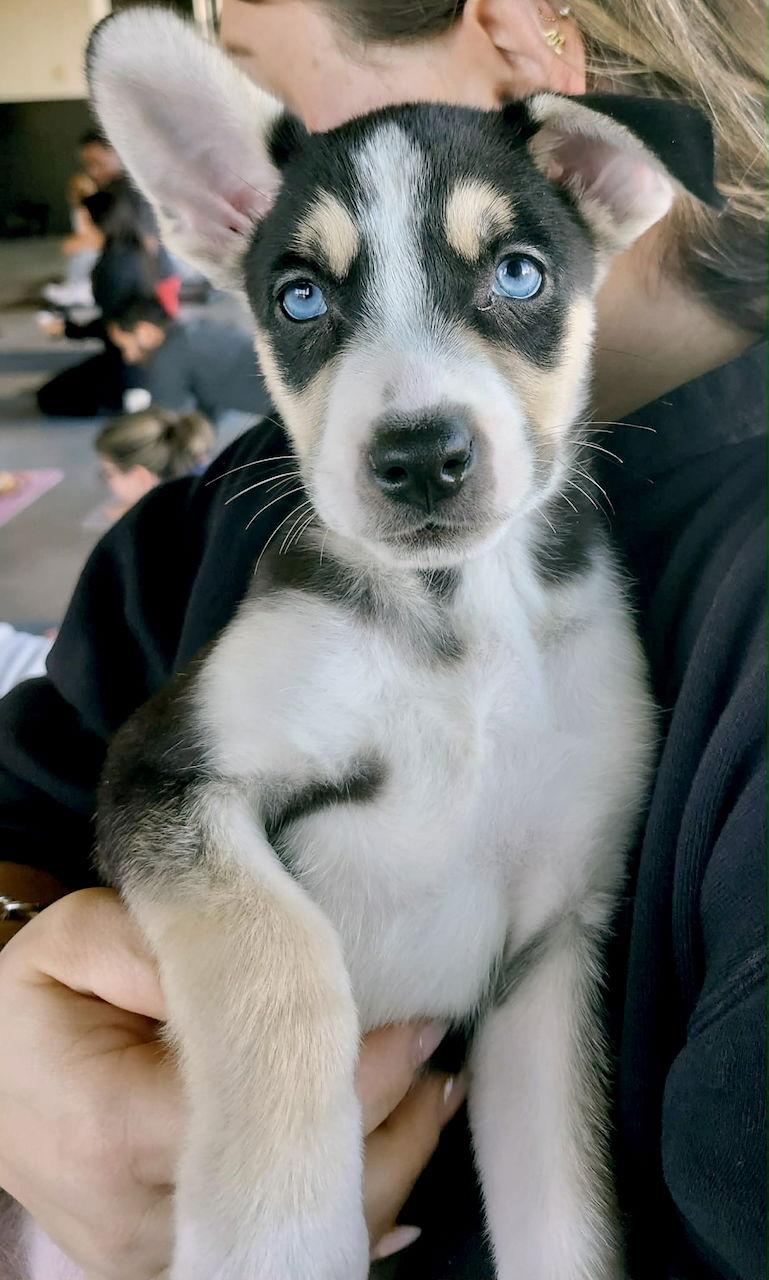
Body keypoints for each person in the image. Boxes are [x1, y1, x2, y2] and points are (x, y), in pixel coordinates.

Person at [0, 1, 764, 1278]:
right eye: (305, 288)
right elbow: (40, 815)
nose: (414, 415)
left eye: (510, 274)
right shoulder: (209, 526)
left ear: (528, 54)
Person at [95, 408, 216, 519]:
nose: (108, 482)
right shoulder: (208, 489)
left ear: (141, 476)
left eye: (109, 473)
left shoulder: (150, 536)